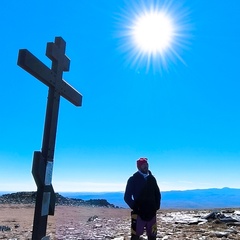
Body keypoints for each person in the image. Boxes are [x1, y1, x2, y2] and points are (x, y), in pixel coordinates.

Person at [124, 157, 161, 240]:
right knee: (135, 236)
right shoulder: (133, 179)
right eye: (143, 165)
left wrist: (156, 206)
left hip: (151, 213)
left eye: (147, 165)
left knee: (152, 235)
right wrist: (135, 207)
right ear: (138, 167)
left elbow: (157, 193)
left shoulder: (152, 179)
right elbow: (127, 197)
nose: (146, 166)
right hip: (138, 213)